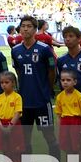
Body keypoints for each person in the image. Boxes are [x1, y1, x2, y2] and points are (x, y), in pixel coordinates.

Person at [12, 15, 58, 154]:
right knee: (25, 138)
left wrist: (47, 89)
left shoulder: (44, 49)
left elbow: (52, 72)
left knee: (49, 136)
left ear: (35, 29)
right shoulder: (15, 50)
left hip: (41, 101)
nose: (25, 29)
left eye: (29, 26)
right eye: (23, 26)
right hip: (24, 102)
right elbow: (18, 71)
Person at [54, 70, 81, 162]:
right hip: (65, 124)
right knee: (68, 154)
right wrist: (59, 133)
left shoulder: (79, 96)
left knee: (80, 153)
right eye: (63, 80)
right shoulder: (59, 97)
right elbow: (58, 116)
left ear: (75, 82)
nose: (65, 82)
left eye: (68, 80)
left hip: (76, 124)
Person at [0, 70, 25, 162]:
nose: (4, 85)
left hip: (14, 126)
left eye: (6, 82)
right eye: (2, 82)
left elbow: (17, 112)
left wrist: (10, 126)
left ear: (13, 83)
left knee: (16, 153)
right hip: (2, 126)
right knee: (6, 152)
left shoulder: (17, 97)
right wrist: (1, 126)